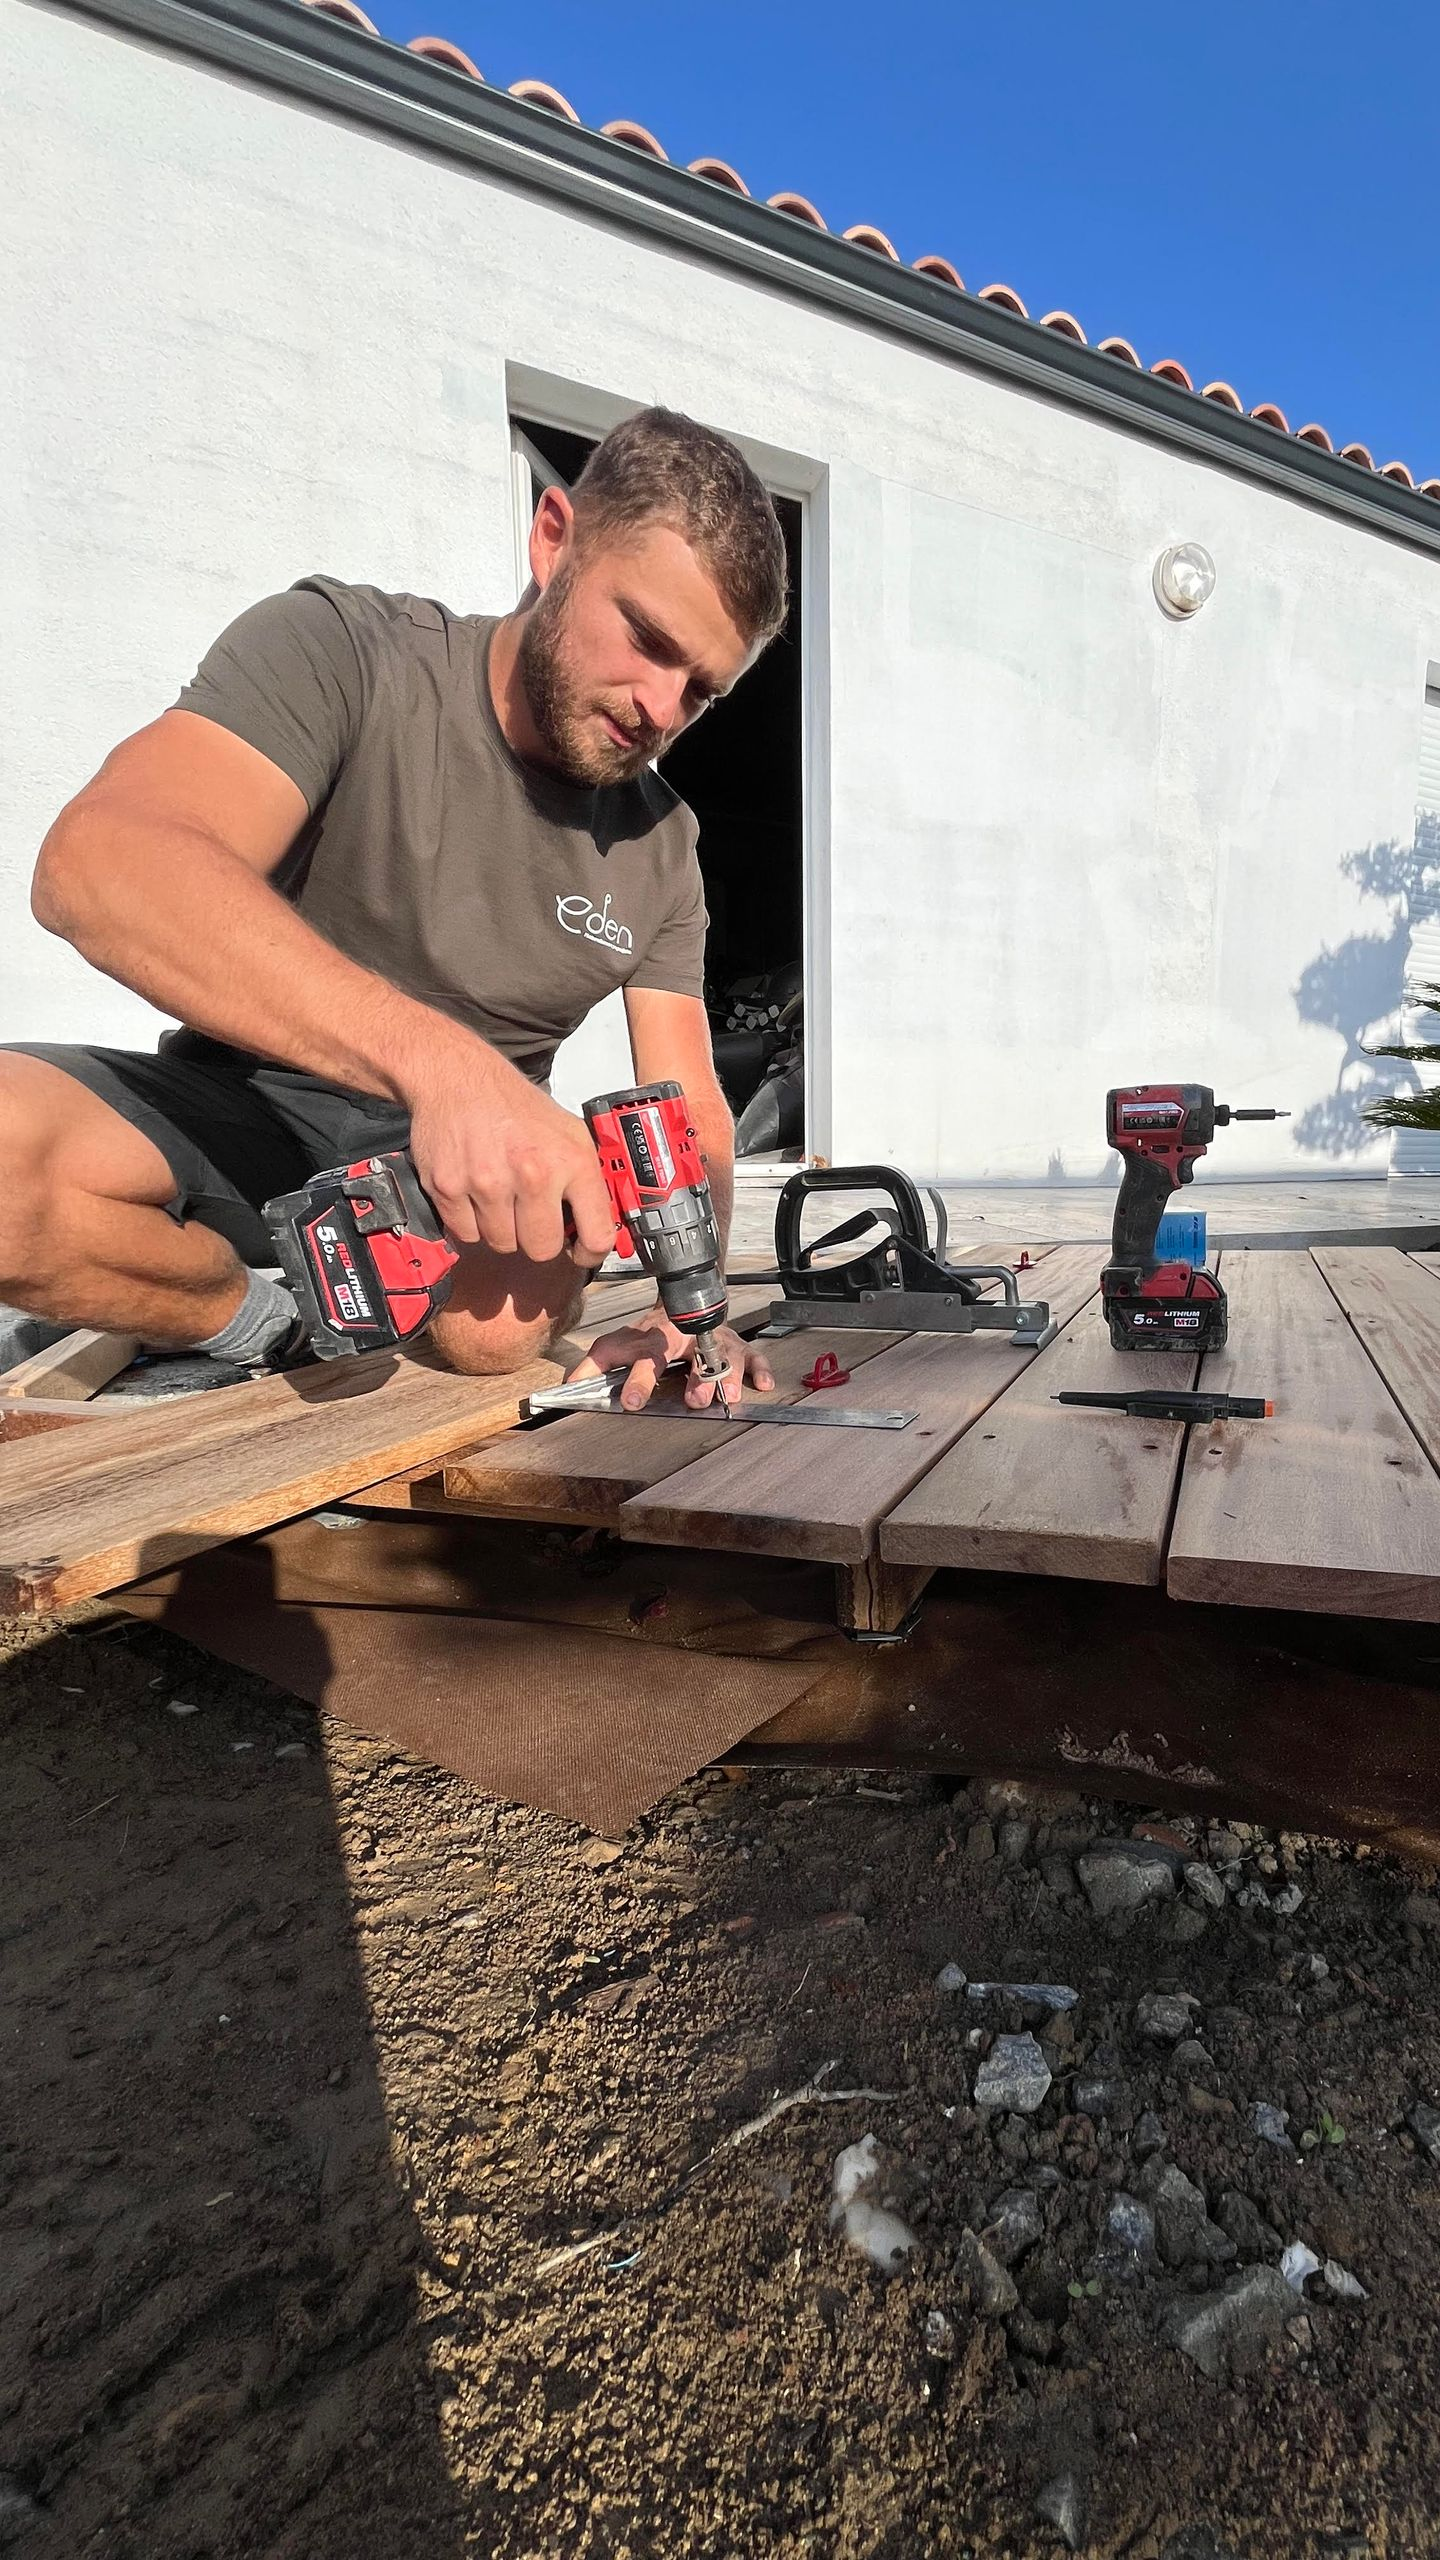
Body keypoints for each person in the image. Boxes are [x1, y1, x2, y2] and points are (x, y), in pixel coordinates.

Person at [0, 408, 786, 1409]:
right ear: (555, 539)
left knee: (492, 1334)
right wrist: (443, 1065)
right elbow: (101, 866)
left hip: (459, 1204)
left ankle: (282, 1308)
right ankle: (249, 1314)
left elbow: (692, 1117)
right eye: (647, 638)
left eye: (702, 690)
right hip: (240, 1117)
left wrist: (694, 1310)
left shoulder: (663, 848)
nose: (662, 710)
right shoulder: (346, 651)